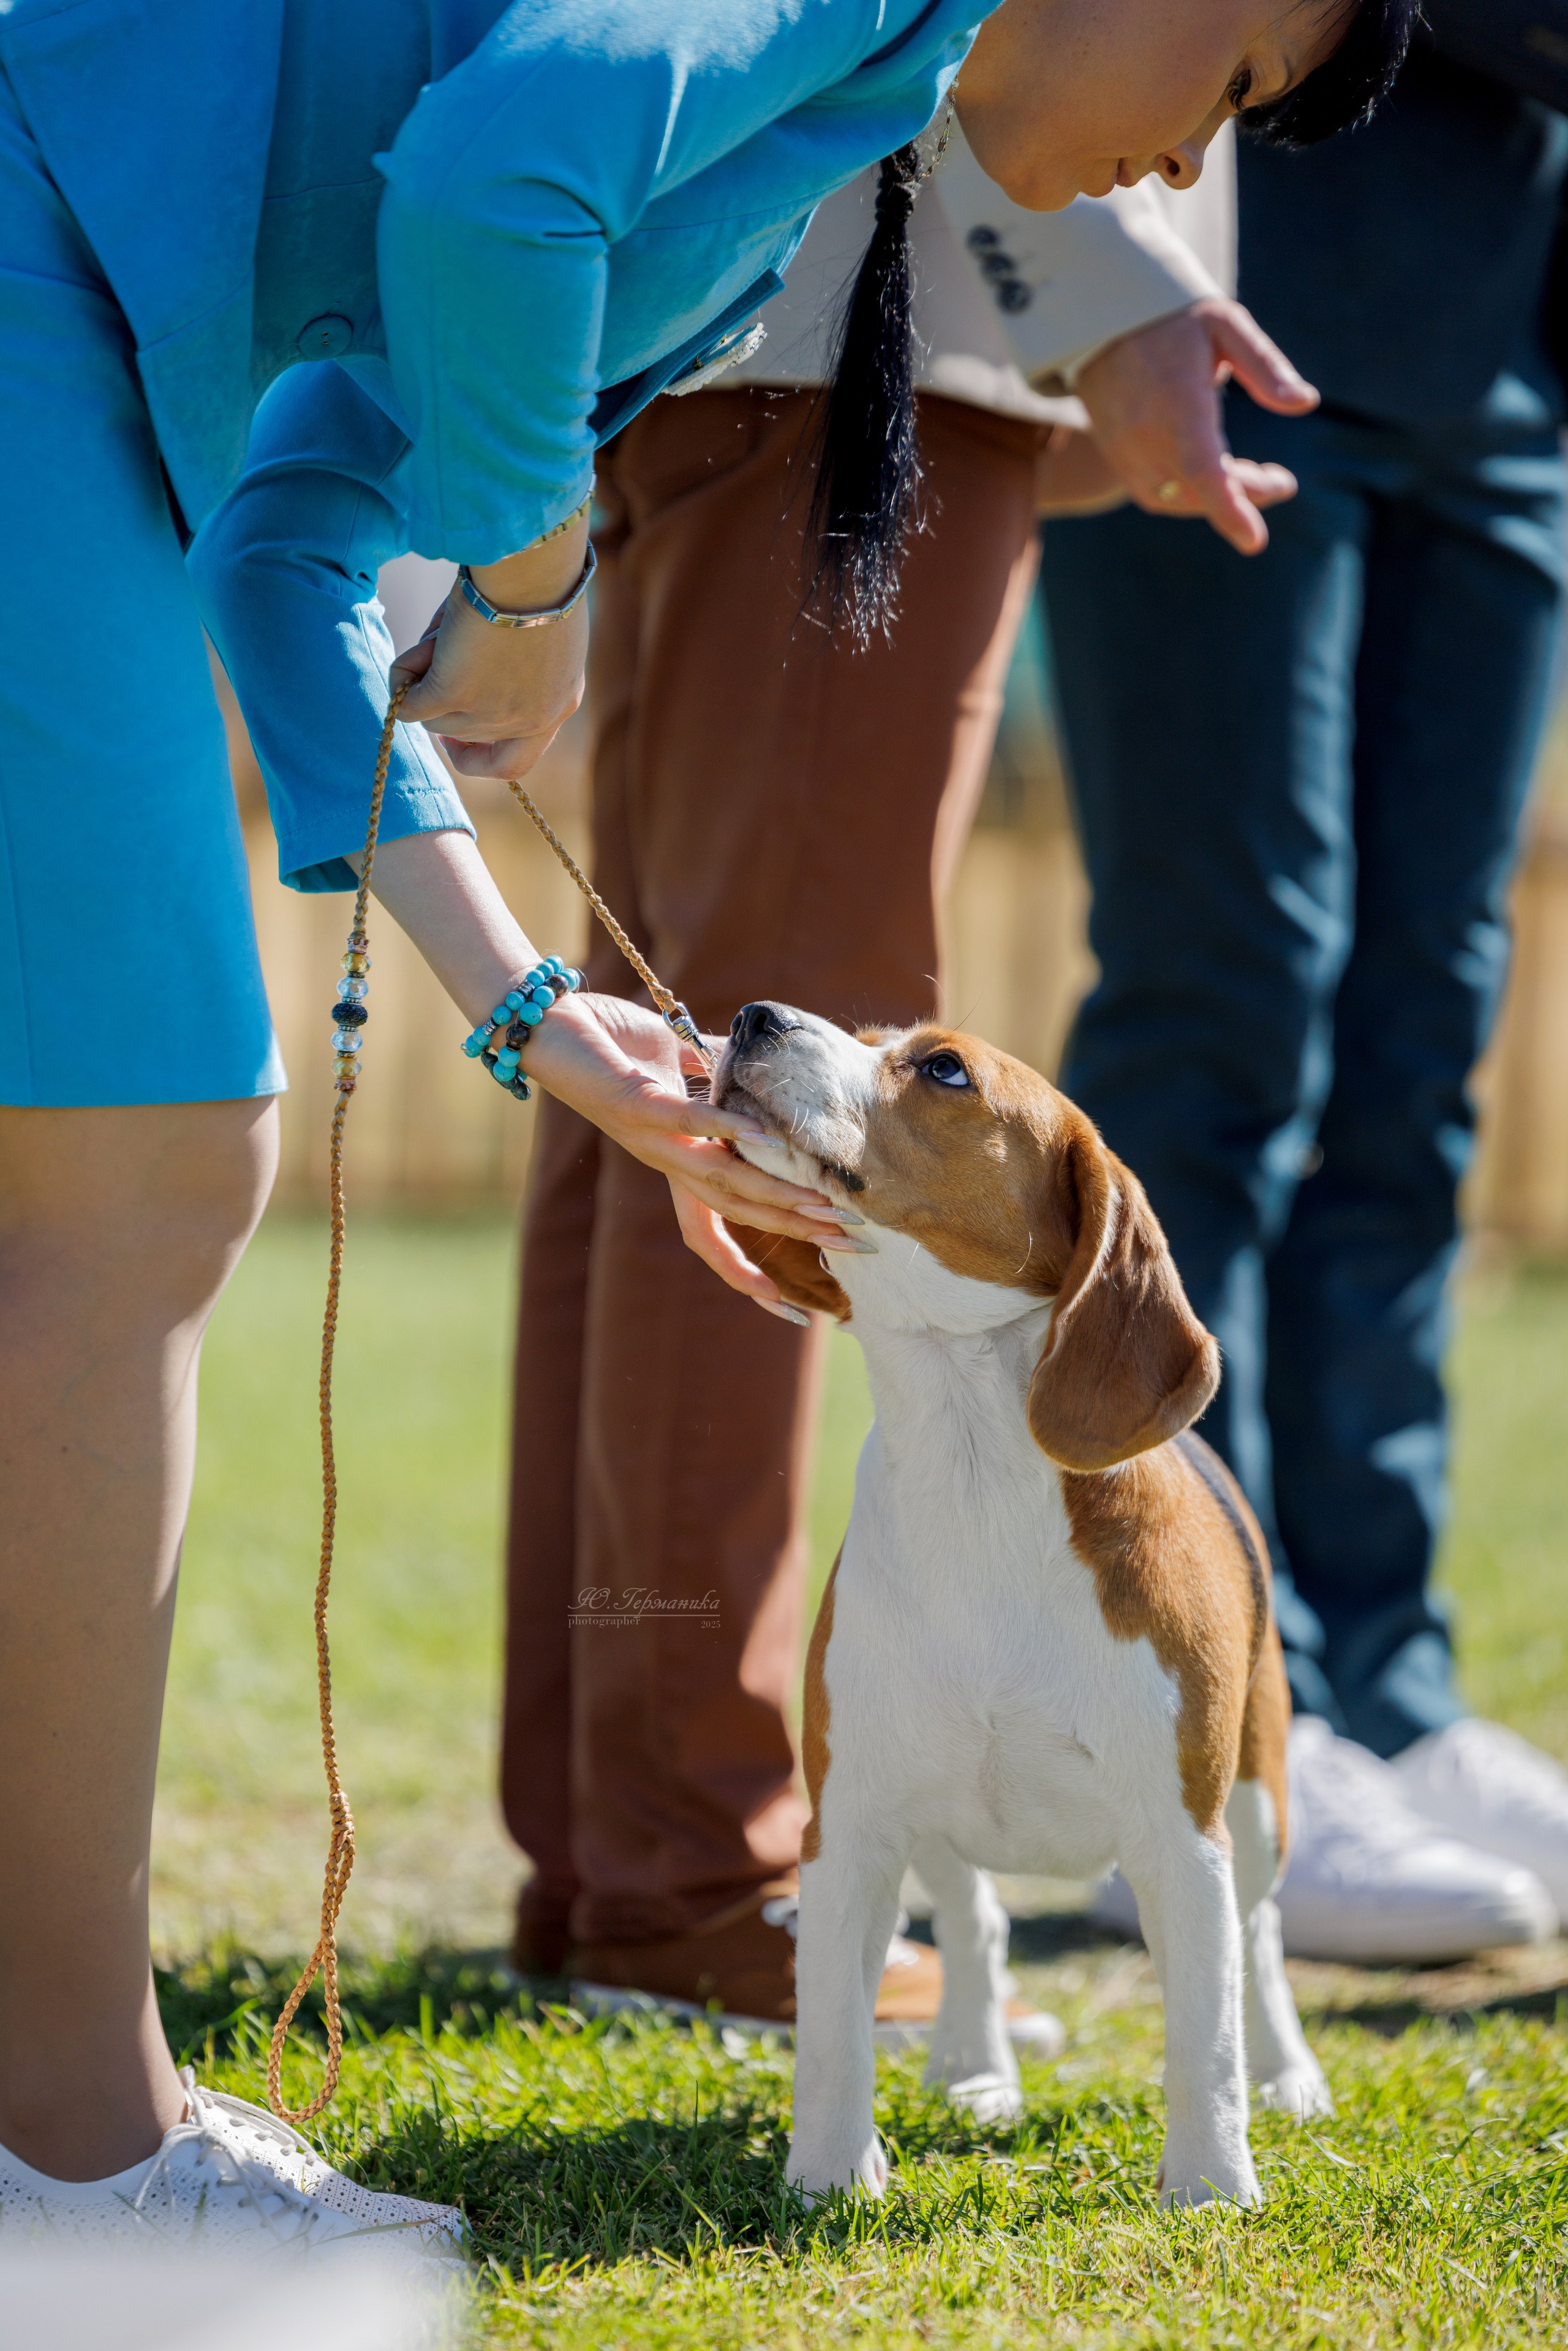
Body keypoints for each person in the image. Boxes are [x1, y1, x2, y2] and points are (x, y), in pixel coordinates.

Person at [0, 0, 1411, 2249]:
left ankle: (66, 2116)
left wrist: (545, 1022)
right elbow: (493, 183)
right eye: (1230, 92)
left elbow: (290, 555)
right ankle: (68, 2145)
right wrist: (537, 574)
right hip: (30, 239)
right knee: (150, 1170)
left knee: (143, 1165)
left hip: (63, 314)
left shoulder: (815, 172)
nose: (1174, 175)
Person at [494, 113, 1365, 2023]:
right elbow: (1043, 53)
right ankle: (695, 1866)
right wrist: (1124, 290)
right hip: (878, 335)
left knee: (664, 1101)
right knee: (805, 1119)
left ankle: (618, 1841)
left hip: (736, 325)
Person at [1039, 20, 1568, 1966]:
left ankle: (1384, 1689)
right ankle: (1198, 1710)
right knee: (1230, 987)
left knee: (1423, 1025)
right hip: (1217, 292)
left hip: (1505, 344)